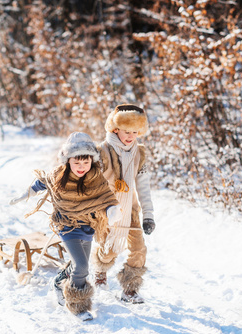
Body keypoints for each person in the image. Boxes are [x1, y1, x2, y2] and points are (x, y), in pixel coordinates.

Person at [9, 132, 121, 321]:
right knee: (82, 266)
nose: (81, 167)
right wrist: (25, 194)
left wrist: (112, 211)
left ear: (91, 161)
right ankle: (77, 305)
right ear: (67, 161)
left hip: (87, 225)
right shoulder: (58, 175)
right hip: (67, 226)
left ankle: (59, 281)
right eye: (76, 163)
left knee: (79, 265)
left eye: (85, 163)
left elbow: (107, 197)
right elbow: (41, 182)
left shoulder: (96, 177)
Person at [92, 104, 155, 304]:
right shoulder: (102, 152)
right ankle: (100, 270)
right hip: (108, 210)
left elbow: (143, 187)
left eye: (135, 132)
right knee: (108, 251)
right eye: (127, 131)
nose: (130, 136)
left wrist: (148, 215)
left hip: (131, 210)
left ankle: (130, 290)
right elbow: (93, 184)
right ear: (115, 128)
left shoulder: (140, 154)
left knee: (138, 249)